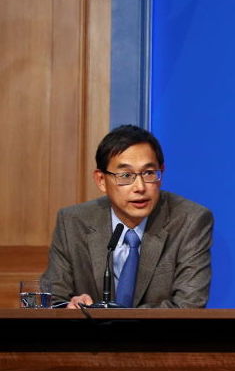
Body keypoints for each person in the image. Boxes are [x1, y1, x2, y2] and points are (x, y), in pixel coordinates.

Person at [41, 125, 213, 308]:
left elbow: (188, 306)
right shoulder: (73, 222)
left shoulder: (190, 220)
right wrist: (70, 306)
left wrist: (106, 315)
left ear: (161, 173)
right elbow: (51, 299)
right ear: (101, 180)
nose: (139, 187)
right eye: (126, 175)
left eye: (148, 173)